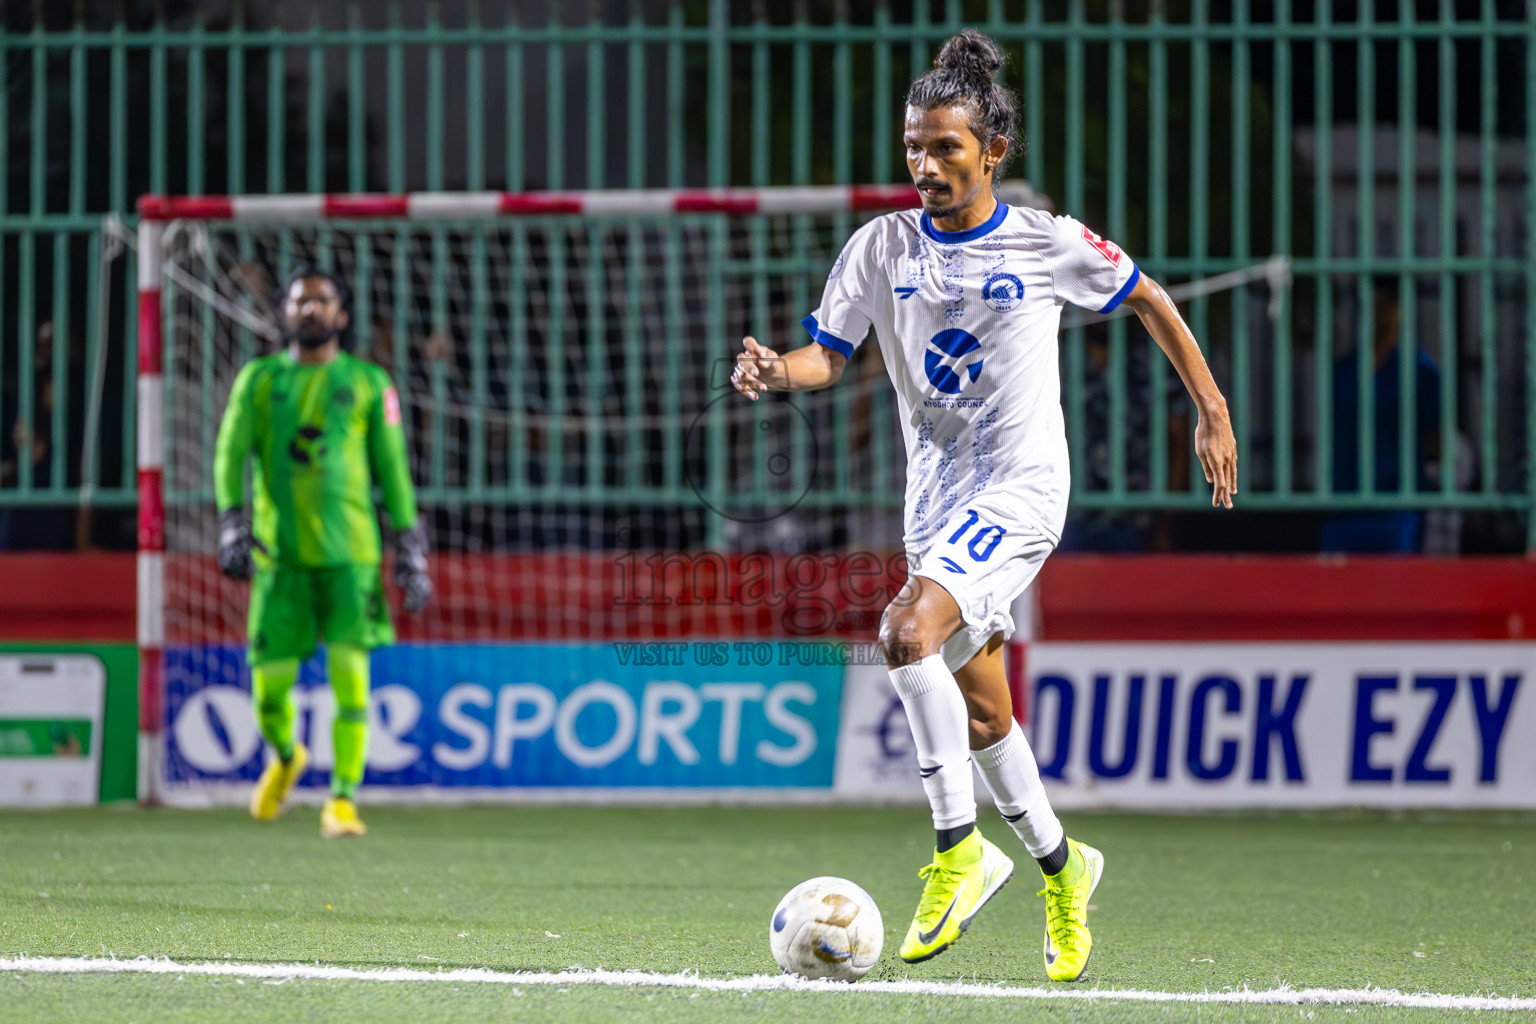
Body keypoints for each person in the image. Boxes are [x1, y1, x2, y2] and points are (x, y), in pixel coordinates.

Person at [731, 30, 1237, 981]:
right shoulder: (880, 246)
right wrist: (775, 371)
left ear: (993, 150)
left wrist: (1210, 410)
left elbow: (1149, 299)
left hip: (1022, 488)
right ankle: (1064, 865)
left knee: (903, 632)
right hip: (936, 504)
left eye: (945, 148)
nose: (925, 166)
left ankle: (958, 851)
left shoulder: (1046, 242)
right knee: (984, 714)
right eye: (913, 147)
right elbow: (828, 356)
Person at [214, 268, 433, 838]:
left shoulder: (368, 382)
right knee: (268, 694)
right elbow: (229, 453)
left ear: (342, 314)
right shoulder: (259, 380)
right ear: (284, 312)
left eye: (322, 301)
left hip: (351, 559)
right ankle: (288, 757)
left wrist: (410, 545)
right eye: (300, 301)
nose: (310, 309)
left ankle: (342, 800)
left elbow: (393, 469)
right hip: (279, 558)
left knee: (351, 682)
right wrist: (231, 522)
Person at [1322, 276, 1442, 553]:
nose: (1377, 316)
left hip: (1399, 510)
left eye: (1385, 306)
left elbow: (1436, 442)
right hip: (1343, 507)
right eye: (1370, 307)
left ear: (1401, 309)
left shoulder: (1420, 373)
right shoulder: (1343, 373)